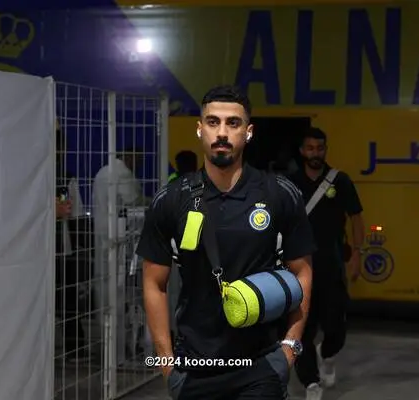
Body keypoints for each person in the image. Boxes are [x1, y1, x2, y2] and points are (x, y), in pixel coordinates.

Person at [136, 85, 315, 400]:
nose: (222, 132)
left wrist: (290, 348)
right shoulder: (171, 199)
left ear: (248, 132)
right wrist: (166, 363)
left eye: (233, 123)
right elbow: (154, 283)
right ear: (200, 129)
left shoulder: (278, 194)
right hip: (193, 368)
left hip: (261, 366)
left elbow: (302, 271)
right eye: (213, 122)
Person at [288, 127, 364, 400]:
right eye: (310, 148)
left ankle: (328, 353)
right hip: (298, 270)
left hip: (332, 267)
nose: (315, 154)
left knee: (336, 329)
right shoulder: (289, 183)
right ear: (301, 151)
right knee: (301, 330)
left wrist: (356, 254)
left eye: (320, 148)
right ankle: (311, 383)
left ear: (325, 150)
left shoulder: (340, 181)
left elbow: (356, 218)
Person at [92, 148, 142, 364]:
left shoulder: (102, 172)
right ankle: (119, 354)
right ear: (129, 156)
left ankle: (105, 349)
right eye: (138, 159)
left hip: (101, 235)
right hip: (119, 239)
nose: (138, 164)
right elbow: (135, 201)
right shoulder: (122, 174)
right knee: (119, 294)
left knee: (104, 291)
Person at [55, 124, 89, 363]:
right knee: (67, 299)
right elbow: (76, 216)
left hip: (40, 251)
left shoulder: (27, 177)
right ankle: (74, 347)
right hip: (62, 248)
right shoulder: (66, 178)